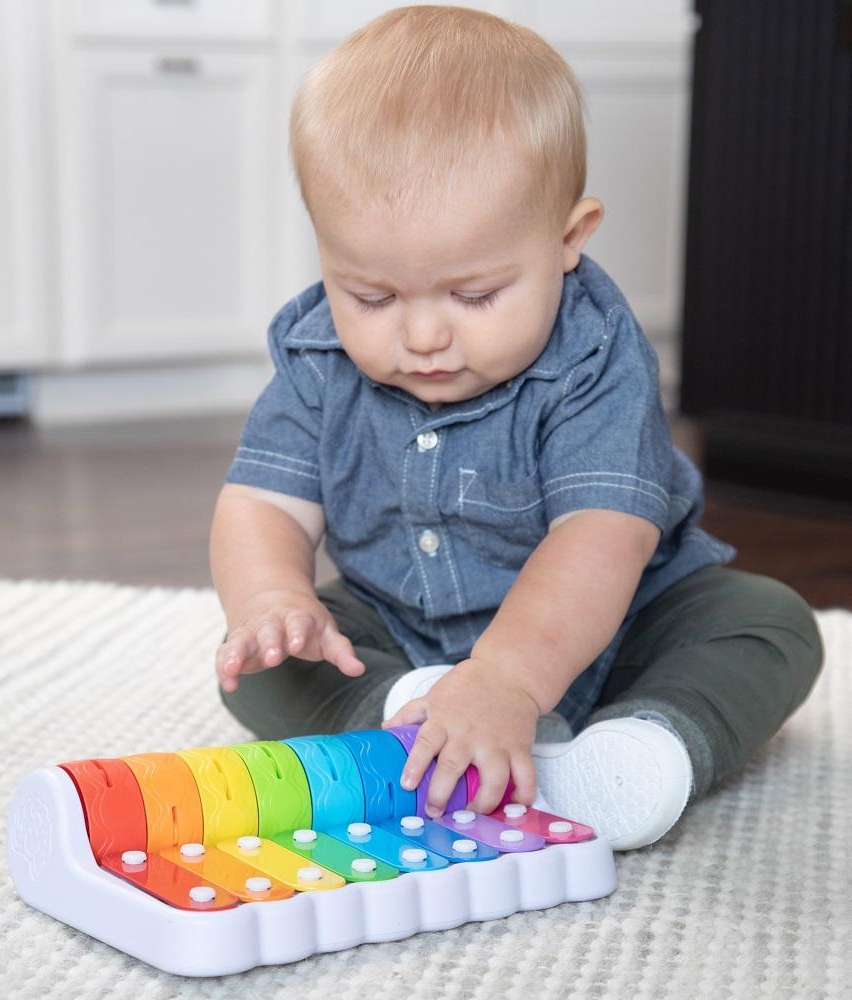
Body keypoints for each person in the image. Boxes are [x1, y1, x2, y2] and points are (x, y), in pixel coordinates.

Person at [209, 5, 823, 850]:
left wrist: (505, 677)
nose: (422, 337)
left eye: (473, 296)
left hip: (625, 620)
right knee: (261, 664)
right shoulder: (318, 355)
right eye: (373, 296)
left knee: (771, 623)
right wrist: (271, 598)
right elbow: (263, 505)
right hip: (404, 621)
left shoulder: (594, 357)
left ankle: (643, 747)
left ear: (568, 239)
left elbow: (599, 537)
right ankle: (411, 716)